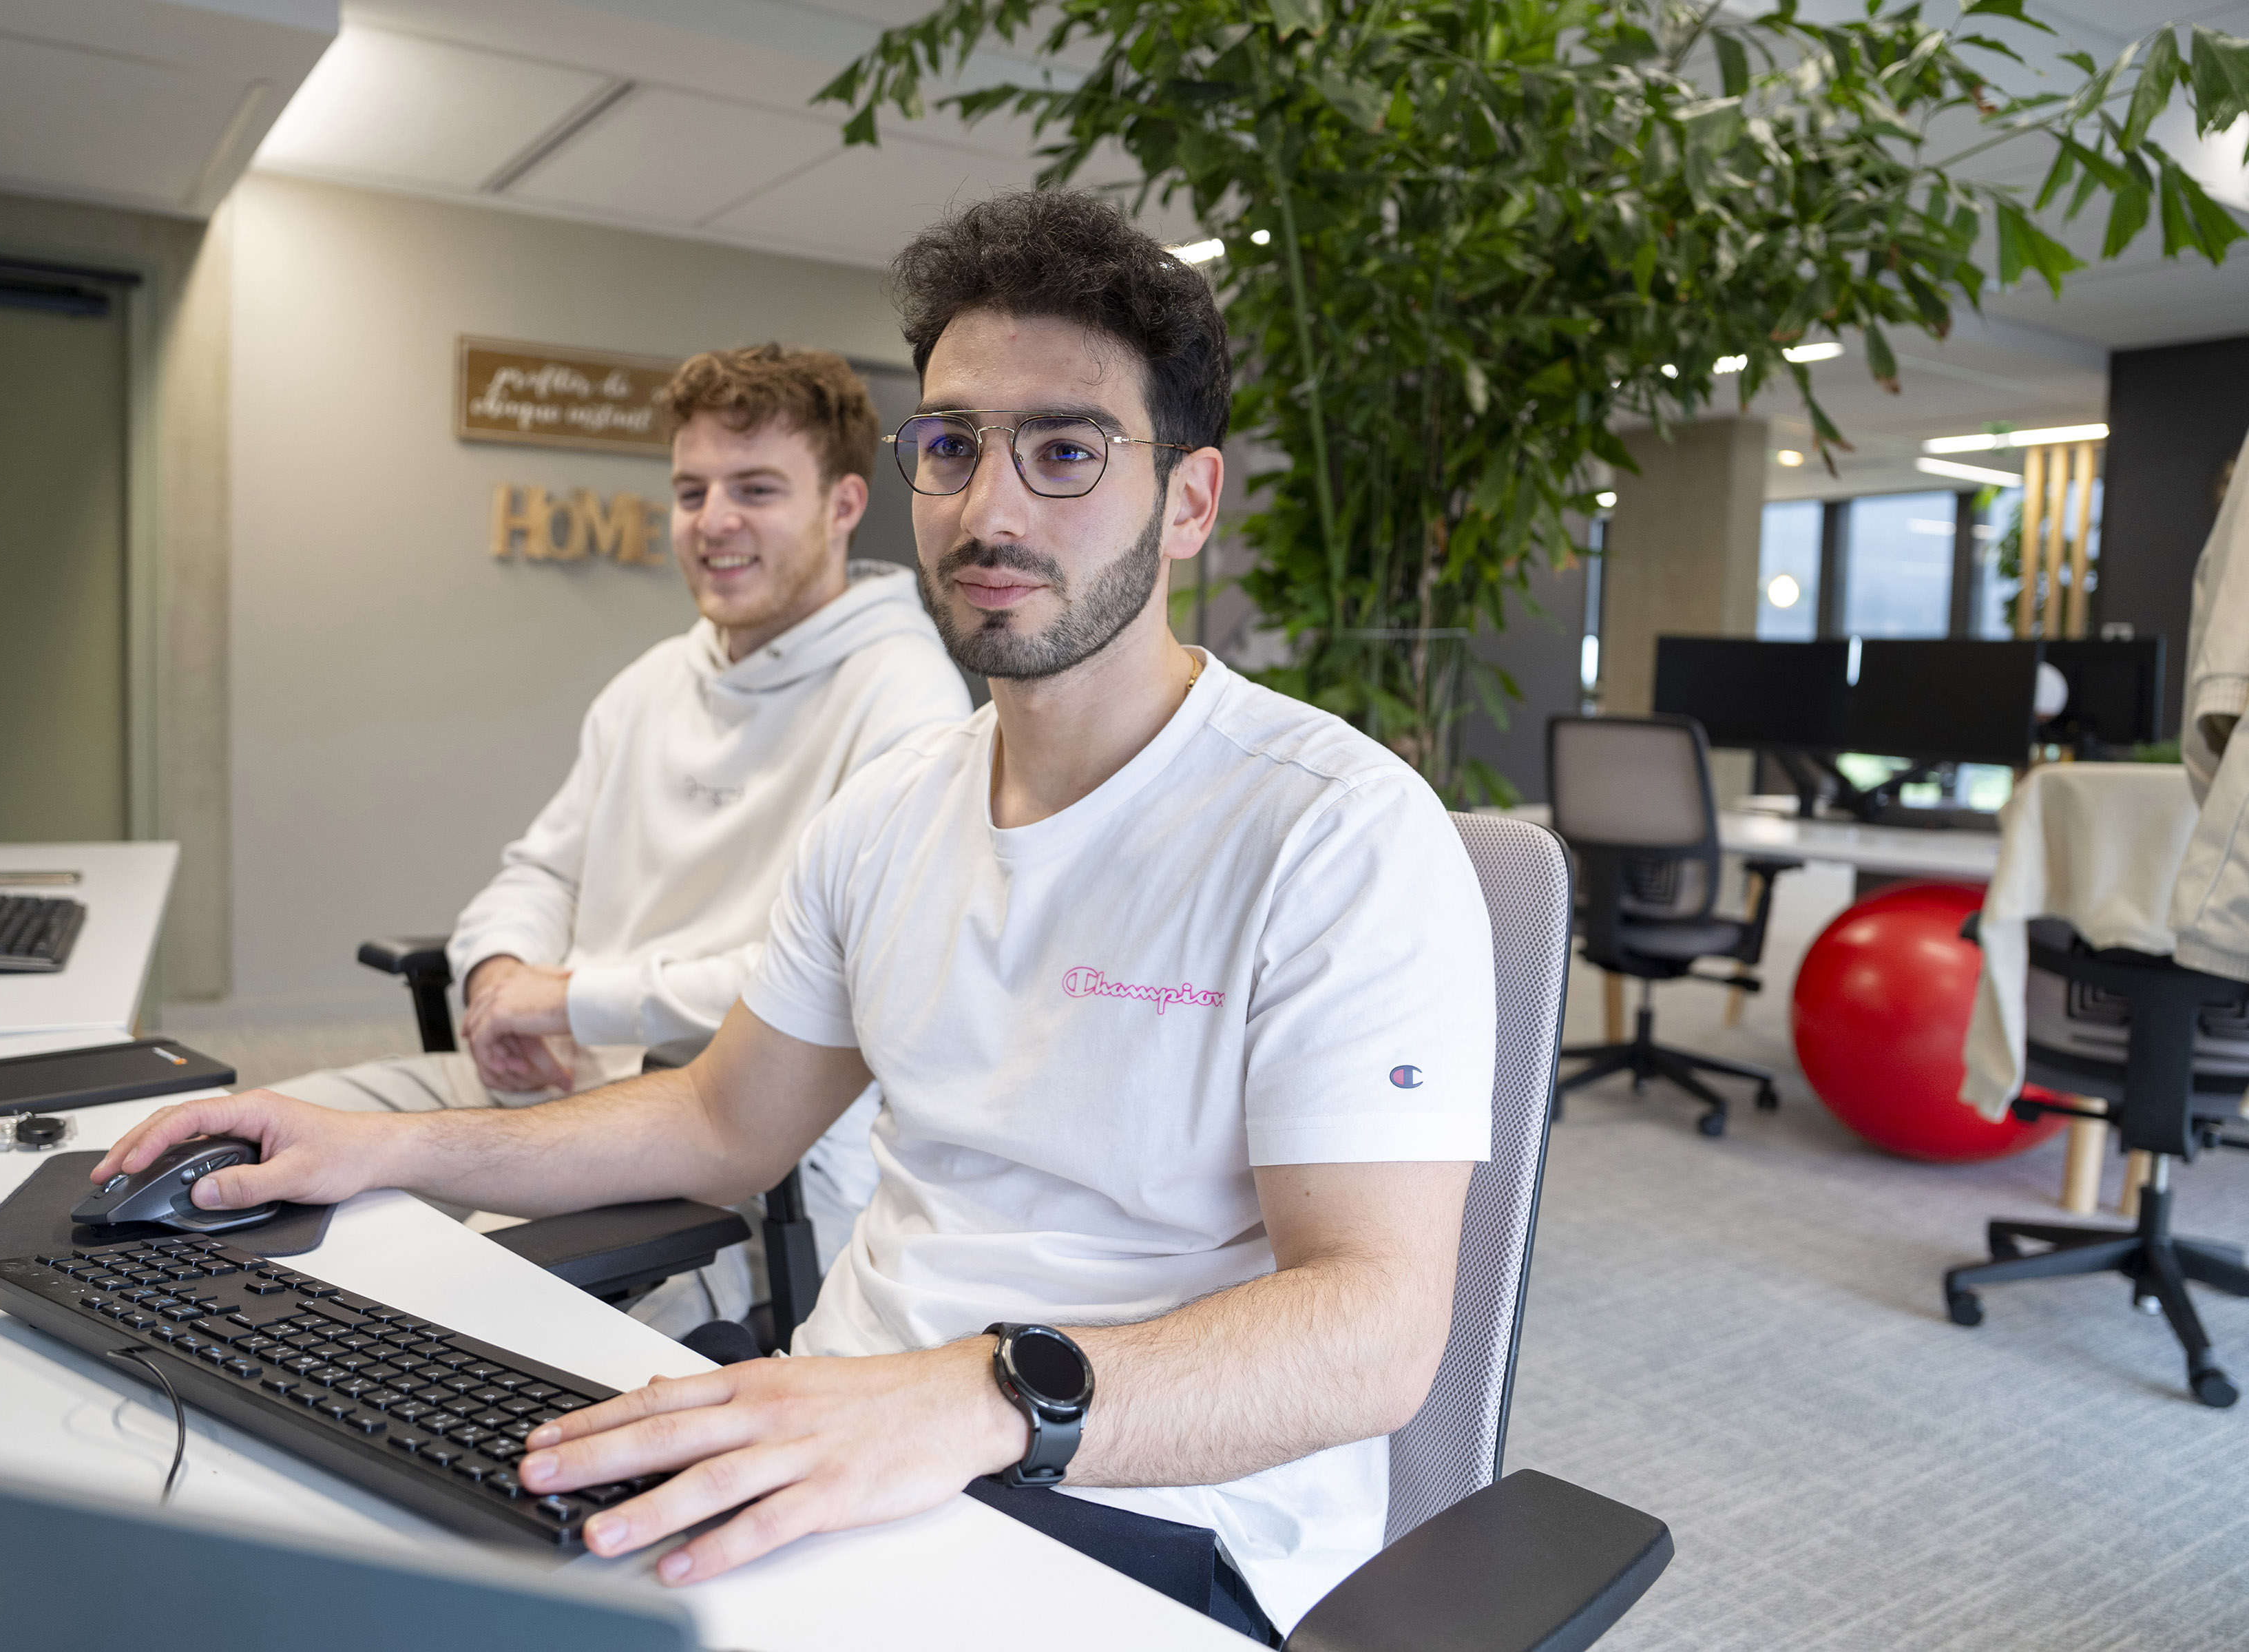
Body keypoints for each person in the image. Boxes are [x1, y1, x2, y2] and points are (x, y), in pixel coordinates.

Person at [98, 193, 1494, 1639]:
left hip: (1148, 1514)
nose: (993, 508)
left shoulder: (1329, 831)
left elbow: (1374, 1334)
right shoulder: (891, 813)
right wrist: (388, 1148)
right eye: (951, 447)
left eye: (1066, 451)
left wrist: (970, 1398)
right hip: (839, 1433)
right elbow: (720, 1123)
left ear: (1190, 502)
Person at [270, 344, 969, 1334]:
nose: (714, 521)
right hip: (549, 1081)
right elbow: (540, 873)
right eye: (692, 490)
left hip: (731, 1152)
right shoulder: (652, 683)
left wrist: (574, 1000)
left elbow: (829, 982)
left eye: (757, 488)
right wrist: (498, 980)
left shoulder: (906, 700)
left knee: (413, 1323)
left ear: (845, 506)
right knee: (246, 1159)